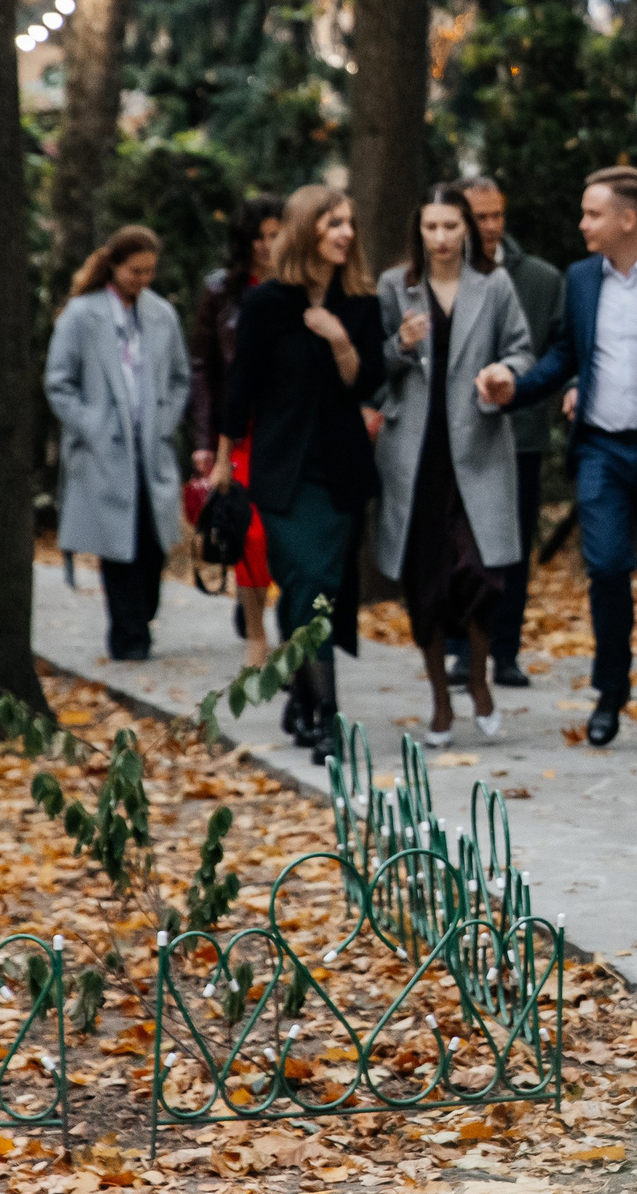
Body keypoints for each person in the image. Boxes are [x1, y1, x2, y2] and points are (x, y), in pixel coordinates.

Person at [481, 166, 637, 753]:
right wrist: (516, 389)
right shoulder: (580, 279)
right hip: (601, 447)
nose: (583, 224)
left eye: (593, 213)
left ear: (628, 219)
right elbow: (562, 355)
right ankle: (609, 695)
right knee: (605, 568)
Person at [214, 185, 386, 766]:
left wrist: (338, 338)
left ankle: (310, 703)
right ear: (307, 228)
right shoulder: (267, 305)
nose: (345, 233)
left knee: (319, 594)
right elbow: (239, 390)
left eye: (350, 223)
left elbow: (366, 385)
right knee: (307, 586)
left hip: (338, 474)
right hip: (283, 476)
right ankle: (326, 717)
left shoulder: (360, 302)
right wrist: (220, 459)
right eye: (333, 222)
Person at [376, 185, 537, 747]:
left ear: (467, 228)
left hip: (479, 447)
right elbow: (375, 370)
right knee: (425, 583)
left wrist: (502, 374)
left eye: (451, 226)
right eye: (431, 227)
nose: (441, 238)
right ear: (418, 231)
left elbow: (522, 350)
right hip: (415, 456)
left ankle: (478, 677)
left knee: (481, 574)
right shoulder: (396, 286)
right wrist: (398, 343)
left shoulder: (493, 286)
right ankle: (441, 704)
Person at [47, 225, 191, 662]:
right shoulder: (81, 315)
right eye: (134, 271)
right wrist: (91, 425)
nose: (142, 280)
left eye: (149, 272)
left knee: (152, 543)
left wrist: (166, 420)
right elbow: (59, 383)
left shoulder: (162, 314)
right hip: (105, 451)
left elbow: (181, 377)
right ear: (113, 265)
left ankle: (141, 620)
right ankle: (129, 638)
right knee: (118, 547)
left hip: (152, 447)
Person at [459, 176, 565, 690]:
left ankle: (504, 651)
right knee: (460, 546)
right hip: (454, 439)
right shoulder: (439, 276)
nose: (491, 226)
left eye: (496, 214)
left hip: (518, 435)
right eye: (480, 216)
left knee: (513, 549)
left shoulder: (541, 279)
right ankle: (461, 648)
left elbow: (562, 349)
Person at [190, 193, 286, 667]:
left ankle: (291, 628)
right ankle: (254, 633)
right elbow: (204, 369)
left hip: (289, 431)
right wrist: (206, 443)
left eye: (275, 236)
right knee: (250, 533)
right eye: (259, 238)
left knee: (286, 536)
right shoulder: (221, 291)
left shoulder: (302, 285)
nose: (267, 247)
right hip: (239, 431)